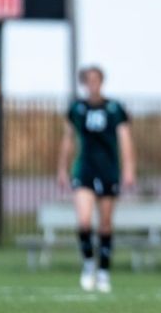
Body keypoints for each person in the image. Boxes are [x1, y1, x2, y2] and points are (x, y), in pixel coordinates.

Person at [56, 66, 136, 293]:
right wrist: (62, 168)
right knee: (84, 221)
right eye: (88, 80)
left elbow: (125, 139)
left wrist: (129, 169)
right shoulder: (77, 109)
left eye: (96, 80)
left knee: (105, 224)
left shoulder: (115, 109)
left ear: (101, 82)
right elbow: (68, 139)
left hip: (108, 170)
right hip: (84, 170)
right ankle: (89, 264)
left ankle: (104, 271)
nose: (93, 84)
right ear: (84, 83)